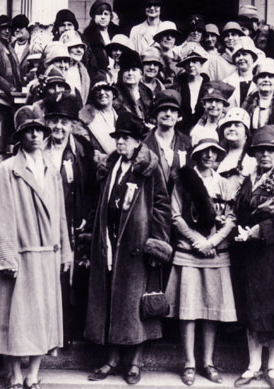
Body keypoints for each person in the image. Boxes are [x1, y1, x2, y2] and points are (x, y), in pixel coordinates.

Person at [84, 112, 172, 385]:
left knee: (133, 304)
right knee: (110, 299)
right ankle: (111, 358)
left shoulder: (149, 167)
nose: (120, 142)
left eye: (126, 138)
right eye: (118, 138)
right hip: (109, 242)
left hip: (136, 245)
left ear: (137, 142)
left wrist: (155, 242)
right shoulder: (112, 165)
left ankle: (134, 362)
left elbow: (161, 206)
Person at [0, 105, 72, 389]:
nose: (35, 135)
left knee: (43, 315)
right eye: (29, 131)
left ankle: (33, 374)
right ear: (20, 136)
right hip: (21, 255)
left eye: (39, 129)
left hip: (47, 253)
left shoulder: (51, 168)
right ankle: (14, 373)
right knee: (15, 316)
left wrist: (66, 249)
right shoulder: (8, 170)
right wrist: (6, 257)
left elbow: (61, 212)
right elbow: (0, 216)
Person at [231, 124, 274, 389]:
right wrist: (240, 227)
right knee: (252, 307)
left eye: (270, 151)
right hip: (250, 253)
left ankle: (273, 365)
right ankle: (253, 365)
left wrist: (262, 230)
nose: (265, 156)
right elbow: (240, 210)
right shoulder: (249, 179)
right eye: (260, 151)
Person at [165, 130, 237, 386]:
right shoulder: (183, 181)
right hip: (188, 252)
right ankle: (189, 363)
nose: (208, 156)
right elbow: (175, 216)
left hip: (215, 253)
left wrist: (211, 242)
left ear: (218, 156)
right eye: (203, 152)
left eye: (213, 152)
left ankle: (207, 361)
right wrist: (197, 240)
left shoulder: (224, 183)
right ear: (195, 155)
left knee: (211, 309)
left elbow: (230, 219)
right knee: (189, 309)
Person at [41, 93, 99, 347]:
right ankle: (45, 330)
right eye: (54, 121)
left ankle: (67, 331)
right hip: (43, 220)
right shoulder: (36, 147)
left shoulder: (82, 150)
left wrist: (84, 216)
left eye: (64, 122)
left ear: (73, 125)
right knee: (45, 274)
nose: (59, 127)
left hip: (74, 221)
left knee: (71, 275)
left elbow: (91, 185)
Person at [144, 89, 192, 195]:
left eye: (173, 110)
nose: (168, 114)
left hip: (178, 205)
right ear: (156, 113)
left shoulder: (188, 144)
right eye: (164, 109)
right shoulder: (143, 144)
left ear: (178, 116)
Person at [242, 58, 274, 140]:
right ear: (256, 80)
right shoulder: (246, 104)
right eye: (262, 76)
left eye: (270, 77)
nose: (266, 79)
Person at [216, 107, 257, 195]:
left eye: (237, 125)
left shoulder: (252, 162)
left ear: (246, 133)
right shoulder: (216, 157)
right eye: (228, 125)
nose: (232, 128)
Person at [79, 72, 119, 157]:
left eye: (106, 88)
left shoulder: (120, 115)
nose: (102, 92)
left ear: (113, 93)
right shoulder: (85, 119)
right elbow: (86, 148)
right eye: (97, 89)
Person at [113, 49, 154, 130]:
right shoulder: (115, 93)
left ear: (141, 74)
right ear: (121, 73)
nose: (130, 73)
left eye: (134, 70)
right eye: (126, 70)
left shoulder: (147, 92)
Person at [172, 47, 210, 134]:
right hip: (180, 129)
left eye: (195, 62)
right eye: (187, 63)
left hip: (203, 129)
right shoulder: (178, 86)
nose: (191, 65)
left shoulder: (208, 86)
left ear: (201, 64)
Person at [83, 0, 121, 75]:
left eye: (106, 14)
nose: (103, 17)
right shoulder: (88, 36)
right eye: (99, 14)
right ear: (94, 17)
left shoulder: (117, 34)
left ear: (110, 17)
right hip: (98, 75)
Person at [223, 38, 263, 108]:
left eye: (244, 54)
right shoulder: (227, 82)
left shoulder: (261, 81)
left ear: (253, 58)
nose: (241, 58)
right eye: (238, 55)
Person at [59, 31, 91, 104]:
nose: (79, 50)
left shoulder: (83, 71)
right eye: (75, 47)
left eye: (81, 47)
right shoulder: (57, 70)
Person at [0, 15, 22, 94]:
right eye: (4, 28)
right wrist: (9, 88)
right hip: (3, 93)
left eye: (9, 29)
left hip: (14, 93)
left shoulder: (10, 48)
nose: (7, 31)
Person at [153, 21, 183, 85]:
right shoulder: (151, 56)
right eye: (165, 34)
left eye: (172, 35)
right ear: (159, 37)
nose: (169, 38)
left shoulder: (179, 59)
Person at [11, 14, 32, 87]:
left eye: (20, 27)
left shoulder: (34, 48)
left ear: (27, 29)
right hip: (11, 89)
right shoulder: (9, 48)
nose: (17, 30)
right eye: (15, 28)